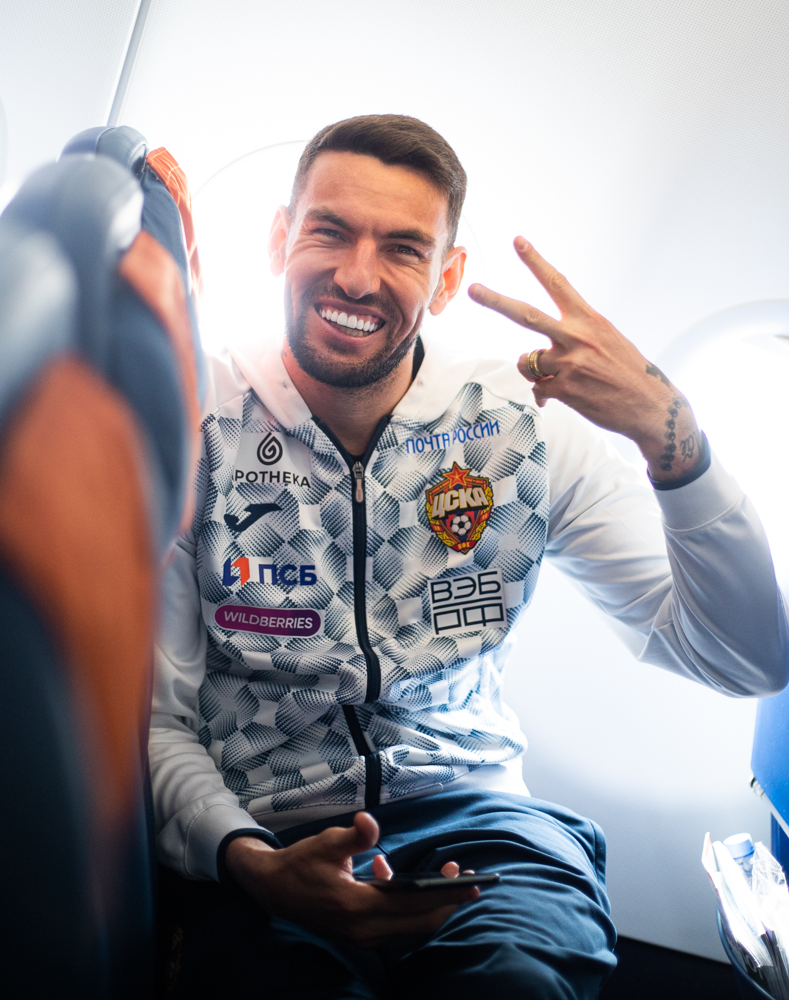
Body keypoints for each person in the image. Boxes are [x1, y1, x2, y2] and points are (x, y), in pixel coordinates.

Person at [151, 114, 788, 999]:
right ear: (278, 241)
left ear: (447, 279)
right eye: (329, 231)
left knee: (516, 985)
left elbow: (747, 659)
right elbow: (159, 720)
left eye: (402, 249)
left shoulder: (519, 428)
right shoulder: (194, 425)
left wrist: (667, 435)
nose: (357, 276)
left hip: (480, 822)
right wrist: (247, 859)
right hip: (266, 832)